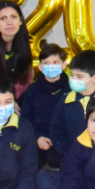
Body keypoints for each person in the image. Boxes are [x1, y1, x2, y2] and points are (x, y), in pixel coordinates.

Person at [49, 50, 95, 159]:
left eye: (79, 77)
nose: (73, 80)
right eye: (72, 75)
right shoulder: (65, 101)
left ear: (94, 78)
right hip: (73, 159)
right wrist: (71, 153)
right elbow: (56, 132)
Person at [21, 41, 69, 169]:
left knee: (56, 160)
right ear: (40, 67)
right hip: (39, 134)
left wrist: (60, 137)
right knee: (30, 162)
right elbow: (25, 117)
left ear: (64, 65)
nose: (51, 66)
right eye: (46, 63)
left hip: (62, 135)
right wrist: (38, 137)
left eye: (55, 62)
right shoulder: (33, 90)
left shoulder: (70, 89)